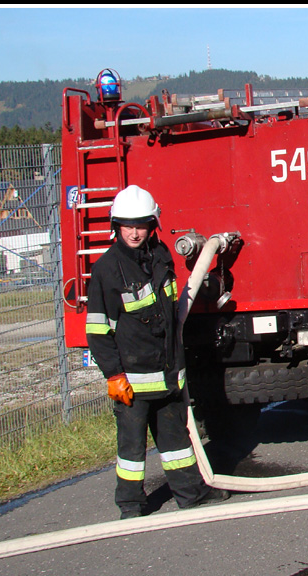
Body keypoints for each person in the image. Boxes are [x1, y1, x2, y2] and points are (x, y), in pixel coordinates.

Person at [86, 185, 230, 519]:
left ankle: (190, 494)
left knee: (176, 440)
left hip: (166, 373)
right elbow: (97, 330)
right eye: (127, 225)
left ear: (153, 225)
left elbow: (169, 316)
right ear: (116, 227)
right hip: (133, 381)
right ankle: (131, 505)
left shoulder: (161, 256)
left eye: (141, 225)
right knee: (132, 448)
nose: (134, 232)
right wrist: (113, 375)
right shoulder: (106, 270)